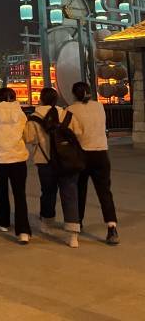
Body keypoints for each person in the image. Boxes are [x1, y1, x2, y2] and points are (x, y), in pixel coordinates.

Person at [24, 87, 81, 248]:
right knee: (70, 194)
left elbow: (28, 138)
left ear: (41, 99)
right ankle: (73, 235)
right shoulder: (67, 115)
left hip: (45, 161)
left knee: (48, 193)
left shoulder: (34, 118)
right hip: (67, 161)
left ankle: (47, 223)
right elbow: (78, 132)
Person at [67, 82, 119, 245]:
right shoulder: (99, 106)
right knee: (104, 191)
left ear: (74, 94)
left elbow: (73, 132)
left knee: (79, 189)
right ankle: (112, 227)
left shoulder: (71, 110)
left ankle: (78, 222)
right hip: (101, 153)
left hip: (82, 154)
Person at [0, 87, 31, 244]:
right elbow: (26, 134)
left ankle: (3, 221)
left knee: (2, 190)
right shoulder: (20, 114)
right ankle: (23, 231)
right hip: (18, 157)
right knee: (20, 194)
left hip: (0, 159)